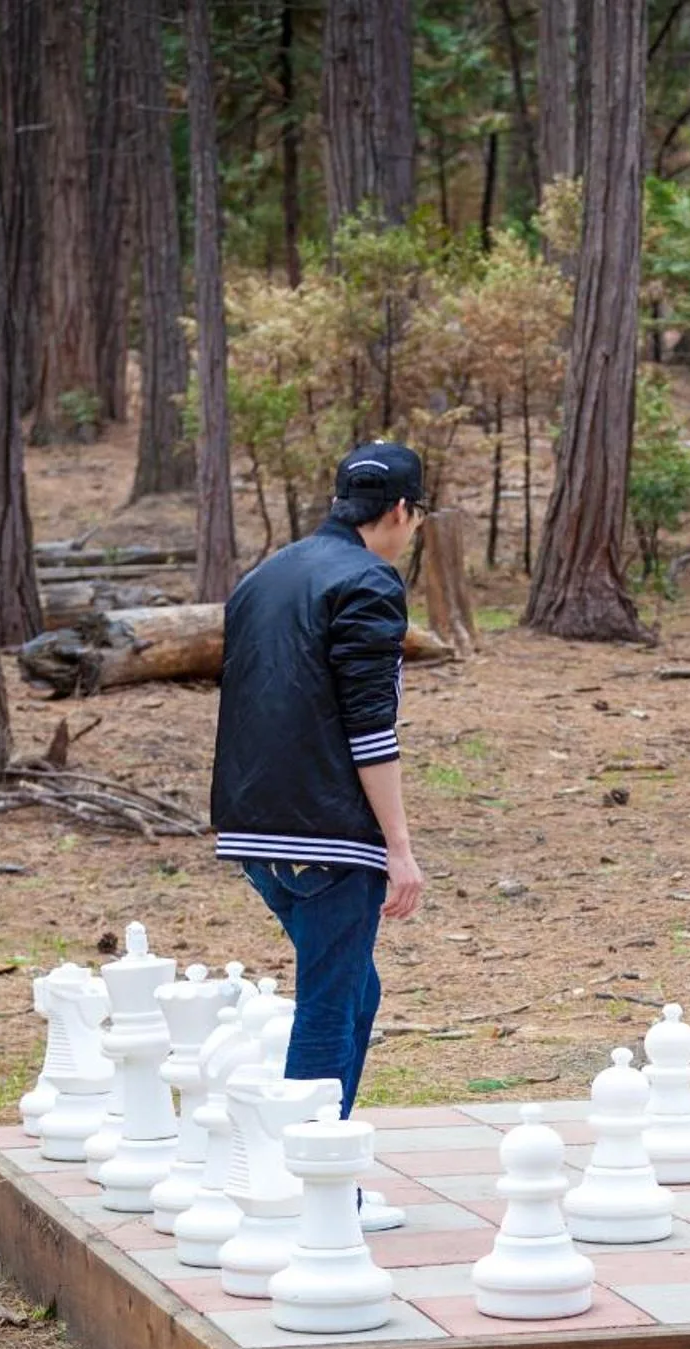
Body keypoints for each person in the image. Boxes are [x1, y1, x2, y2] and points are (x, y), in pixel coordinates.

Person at [211, 443, 426, 1155]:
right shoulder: (370, 582)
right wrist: (398, 848)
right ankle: (306, 1181)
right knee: (330, 1007)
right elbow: (371, 728)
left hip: (252, 832)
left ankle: (306, 1160)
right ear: (399, 510)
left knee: (355, 991)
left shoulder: (264, 574)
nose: (414, 528)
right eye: (416, 515)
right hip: (327, 837)